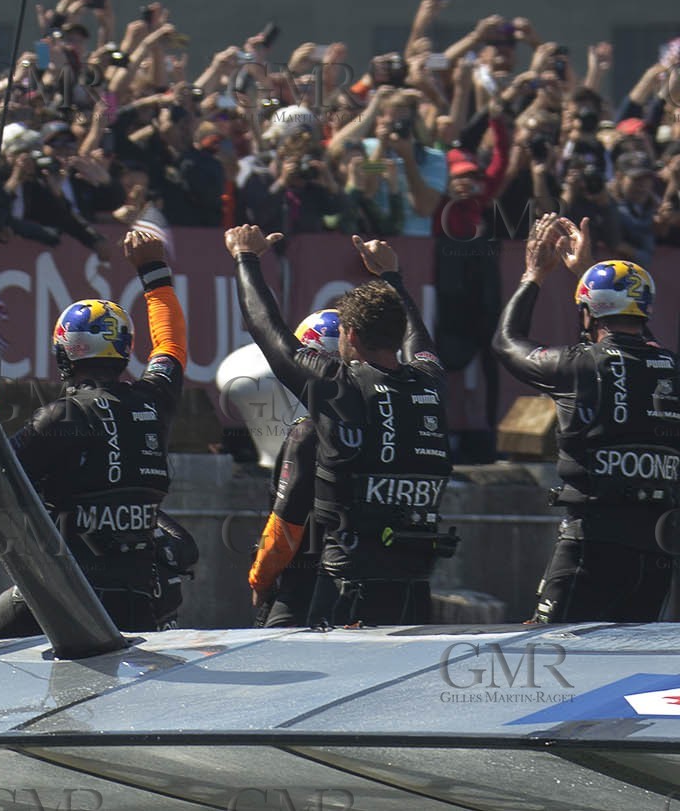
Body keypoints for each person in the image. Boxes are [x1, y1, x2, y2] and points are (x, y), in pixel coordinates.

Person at [228, 226, 456, 626]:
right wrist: (393, 279)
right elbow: (420, 340)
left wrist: (246, 259)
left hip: (348, 588)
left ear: (349, 336)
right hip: (415, 589)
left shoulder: (338, 387)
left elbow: (268, 331)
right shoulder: (431, 381)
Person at [0, 230, 197, 637]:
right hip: (140, 595)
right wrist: (153, 271)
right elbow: (171, 345)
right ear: (124, 349)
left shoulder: (56, 418)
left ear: (63, 353)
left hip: (67, 594)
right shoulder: (155, 399)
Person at [492, 213, 679, 622]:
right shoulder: (672, 366)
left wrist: (533, 275)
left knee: (549, 649)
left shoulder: (578, 365)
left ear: (587, 313)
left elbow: (507, 344)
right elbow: (644, 356)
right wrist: (589, 273)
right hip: (658, 551)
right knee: (629, 662)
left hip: (591, 544)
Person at [248, 310, 339, 627]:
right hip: (361, 576)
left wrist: (260, 578)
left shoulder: (308, 433)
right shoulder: (380, 423)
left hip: (306, 583)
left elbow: (287, 522)